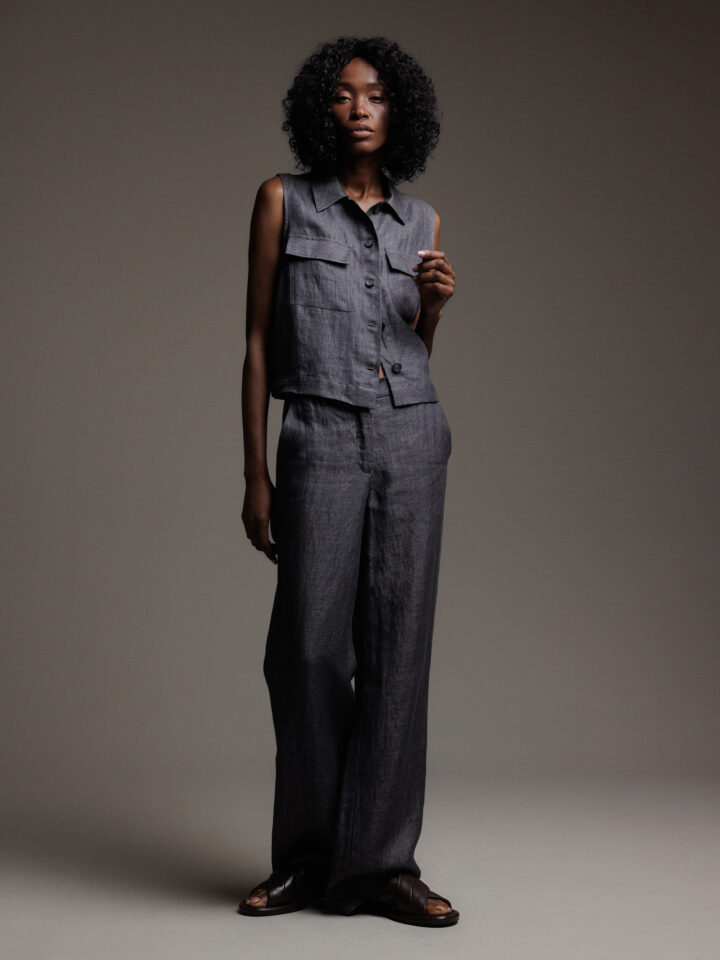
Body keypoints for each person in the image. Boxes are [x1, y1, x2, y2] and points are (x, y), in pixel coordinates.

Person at [236, 35, 458, 927]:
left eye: (376, 95)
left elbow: (413, 349)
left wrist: (431, 308)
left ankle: (382, 865)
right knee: (306, 650)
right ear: (318, 110)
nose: (359, 107)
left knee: (399, 653)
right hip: (319, 437)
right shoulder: (282, 201)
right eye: (342, 94)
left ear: (400, 112)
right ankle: (307, 859)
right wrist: (255, 473)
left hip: (411, 438)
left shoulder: (423, 222)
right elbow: (257, 343)